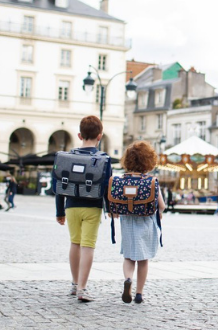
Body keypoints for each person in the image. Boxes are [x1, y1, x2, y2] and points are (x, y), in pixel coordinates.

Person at [54, 115, 111, 303]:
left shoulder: (67, 158)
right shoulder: (103, 159)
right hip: (92, 207)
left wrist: (59, 211)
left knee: (75, 243)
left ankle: (74, 283)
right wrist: (110, 208)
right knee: (88, 246)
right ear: (100, 136)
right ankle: (83, 288)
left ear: (79, 135)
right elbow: (107, 187)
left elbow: (60, 186)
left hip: (71, 206)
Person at [115, 141, 166, 305]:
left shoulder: (121, 180)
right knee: (143, 259)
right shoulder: (151, 182)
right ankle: (139, 293)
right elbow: (162, 206)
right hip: (146, 221)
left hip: (128, 222)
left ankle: (128, 279)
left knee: (129, 257)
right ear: (148, 161)